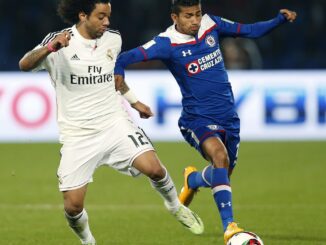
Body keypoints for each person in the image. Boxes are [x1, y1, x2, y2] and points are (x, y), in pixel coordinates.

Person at [18, 1, 204, 244]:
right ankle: (88, 241)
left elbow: (113, 77)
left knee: (155, 169)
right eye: (101, 16)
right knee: (73, 207)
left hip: (114, 123)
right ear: (83, 15)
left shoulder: (113, 39)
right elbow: (24, 65)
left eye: (109, 16)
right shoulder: (59, 41)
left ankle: (175, 206)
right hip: (78, 135)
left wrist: (135, 102)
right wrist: (51, 48)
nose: (107, 22)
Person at [114, 0, 297, 243]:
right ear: (174, 18)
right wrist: (120, 74)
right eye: (188, 16)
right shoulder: (166, 43)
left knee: (222, 174)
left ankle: (193, 180)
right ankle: (230, 227)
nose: (195, 21)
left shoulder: (212, 25)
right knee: (219, 157)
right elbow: (125, 57)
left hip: (229, 117)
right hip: (196, 118)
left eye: (198, 14)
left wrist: (279, 20)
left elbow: (250, 31)